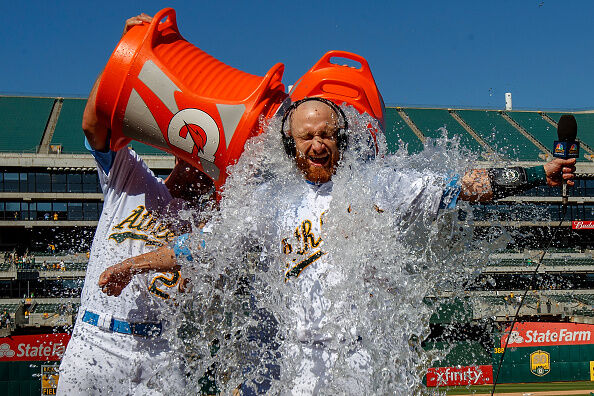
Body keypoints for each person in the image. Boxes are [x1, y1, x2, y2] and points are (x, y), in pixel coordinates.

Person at [100, 97, 576, 393]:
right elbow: (205, 244)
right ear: (291, 146)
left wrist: (538, 174)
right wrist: (136, 263)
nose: (318, 143)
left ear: (341, 139)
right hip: (299, 360)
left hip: (364, 355)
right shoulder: (268, 203)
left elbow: (462, 185)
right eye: (306, 136)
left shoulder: (380, 186)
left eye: (326, 133)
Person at [56, 13, 214, 396]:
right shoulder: (134, 178)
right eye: (200, 157)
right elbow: (95, 123)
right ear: (180, 154)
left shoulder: (213, 219)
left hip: (162, 355)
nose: (205, 168)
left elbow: (197, 251)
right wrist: (126, 51)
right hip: (95, 339)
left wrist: (131, 264)